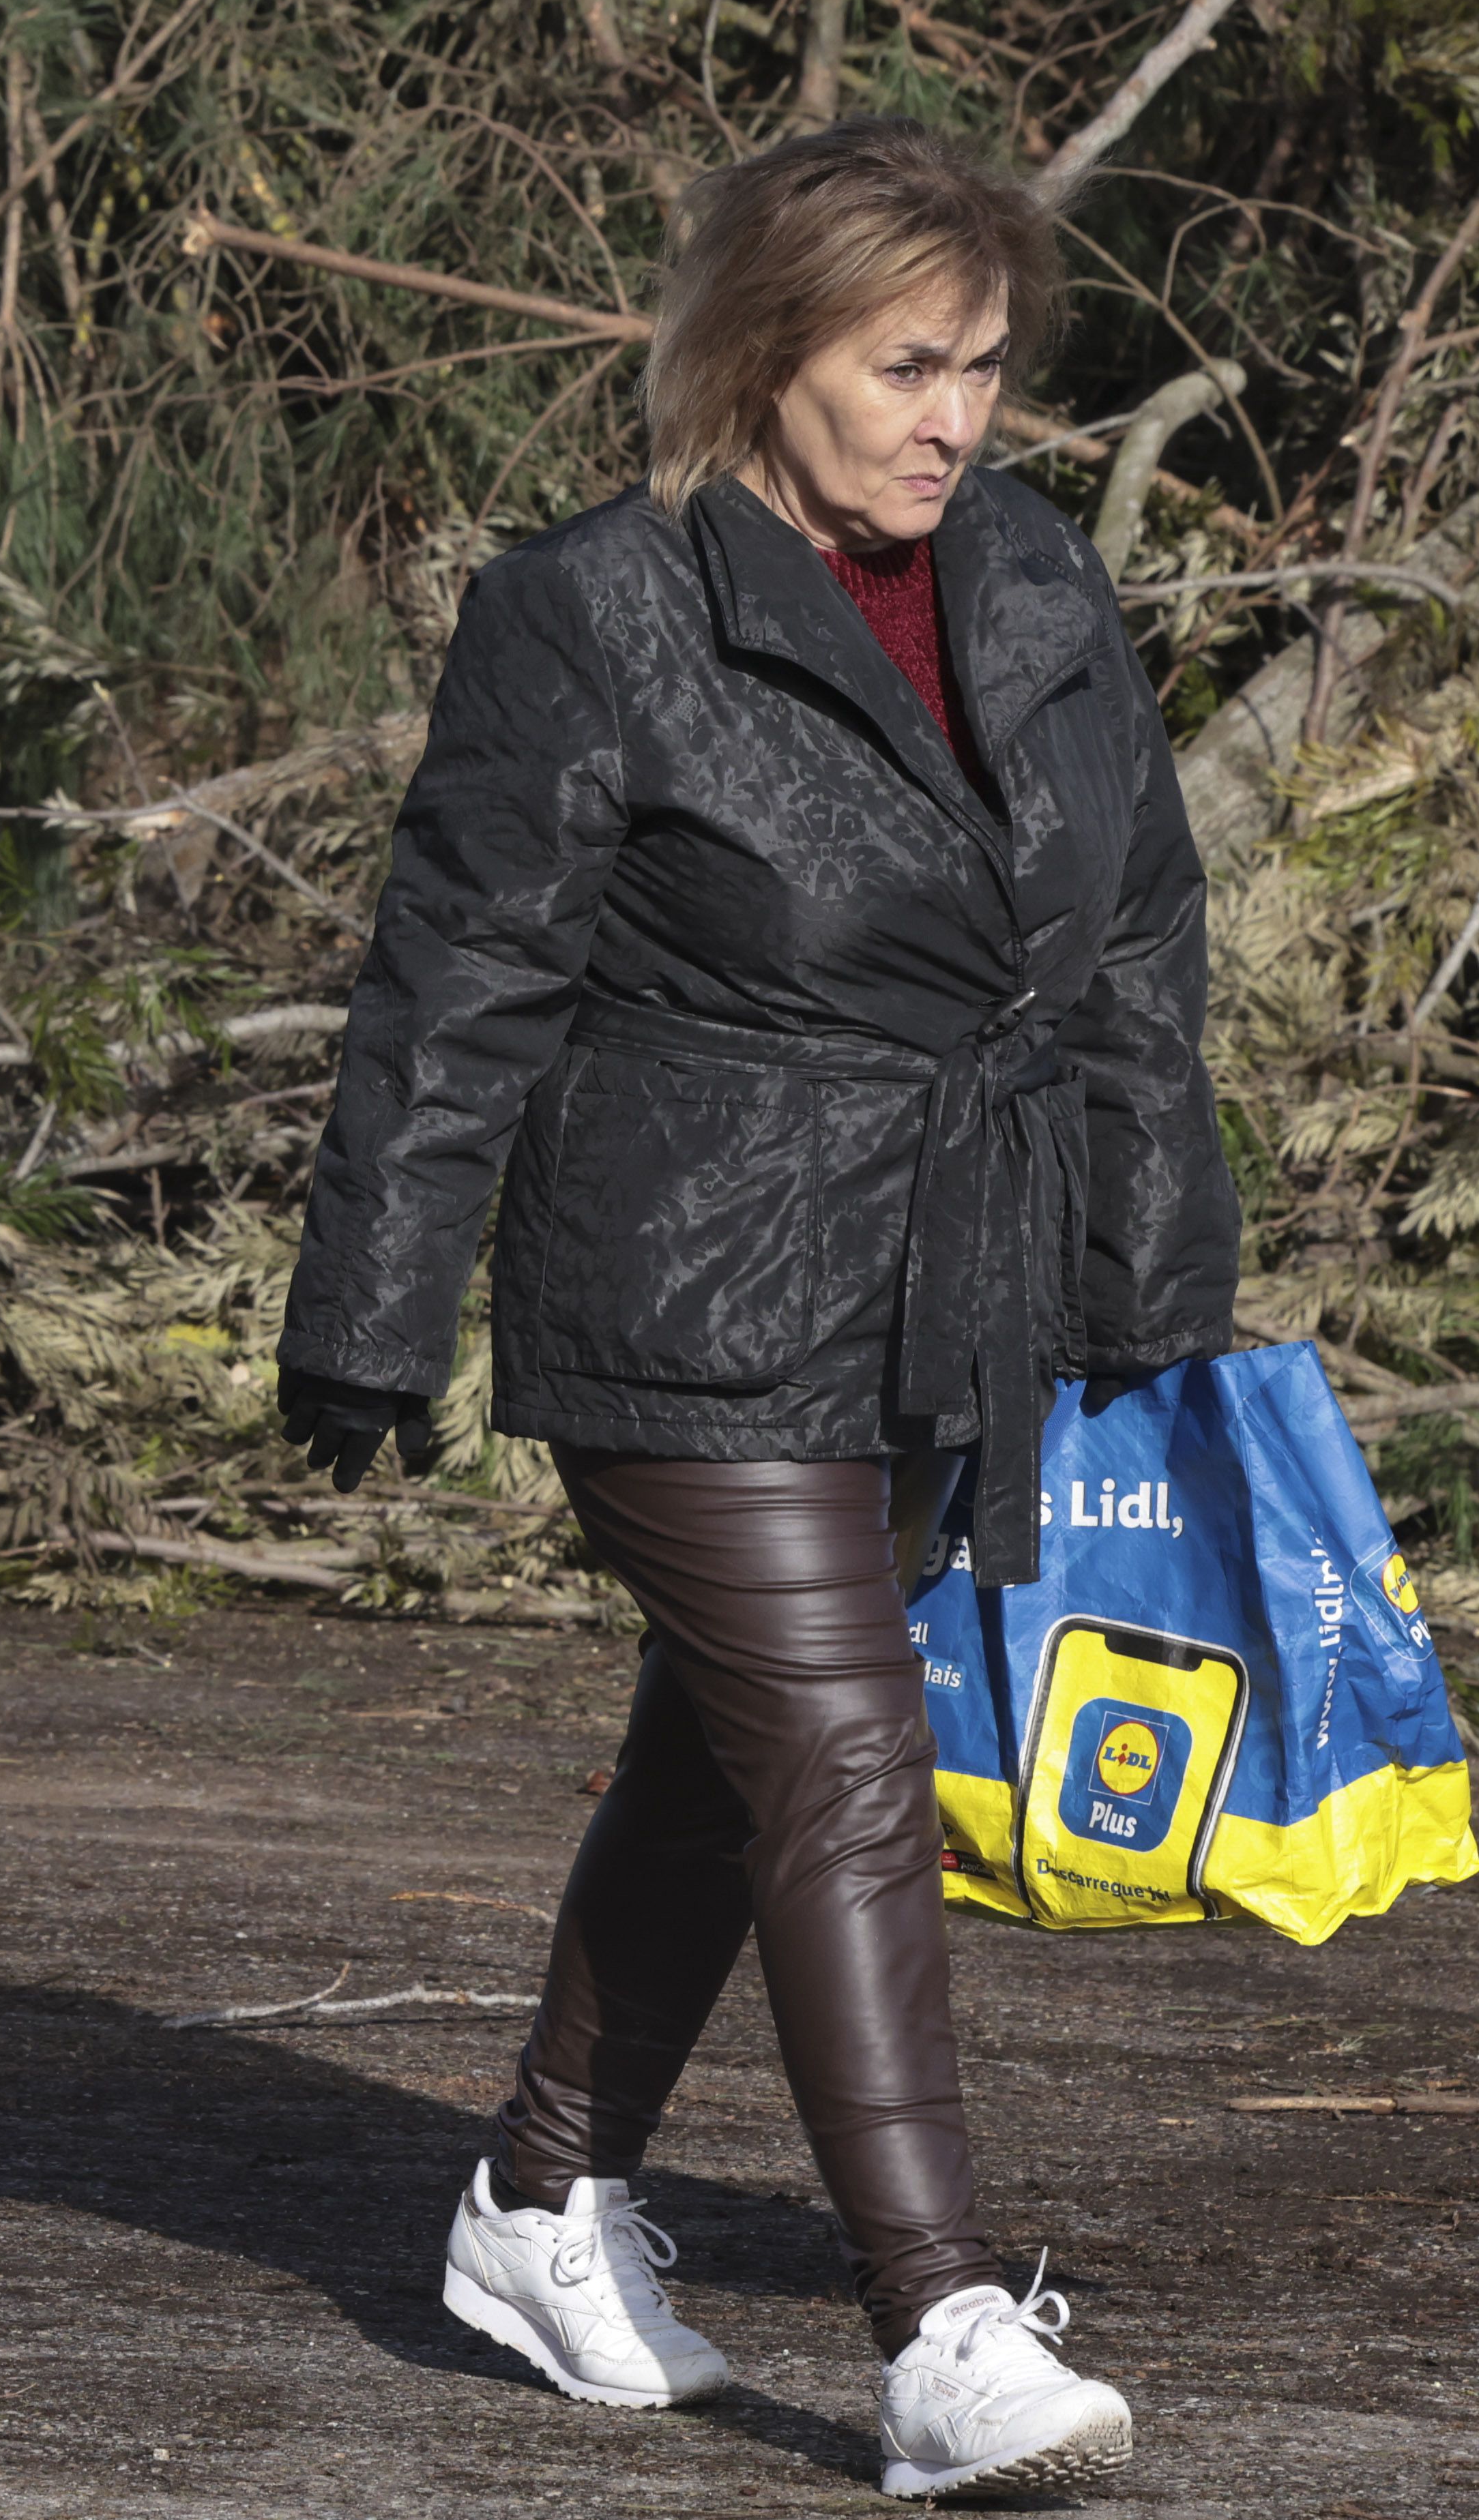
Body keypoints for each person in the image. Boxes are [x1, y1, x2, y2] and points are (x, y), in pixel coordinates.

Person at [276, 120, 1240, 2503]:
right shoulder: (588, 609)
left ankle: (530, 2200)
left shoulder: (1032, 579)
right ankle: (937, 2332)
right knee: (838, 1745)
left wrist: (1136, 1282)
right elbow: (464, 978)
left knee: (725, 1761)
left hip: (945, 1284)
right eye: (904, 363)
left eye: (984, 366)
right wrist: (373, 1307)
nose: (954, 416)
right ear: (757, 355)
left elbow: (1129, 946)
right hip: (680, 1275)